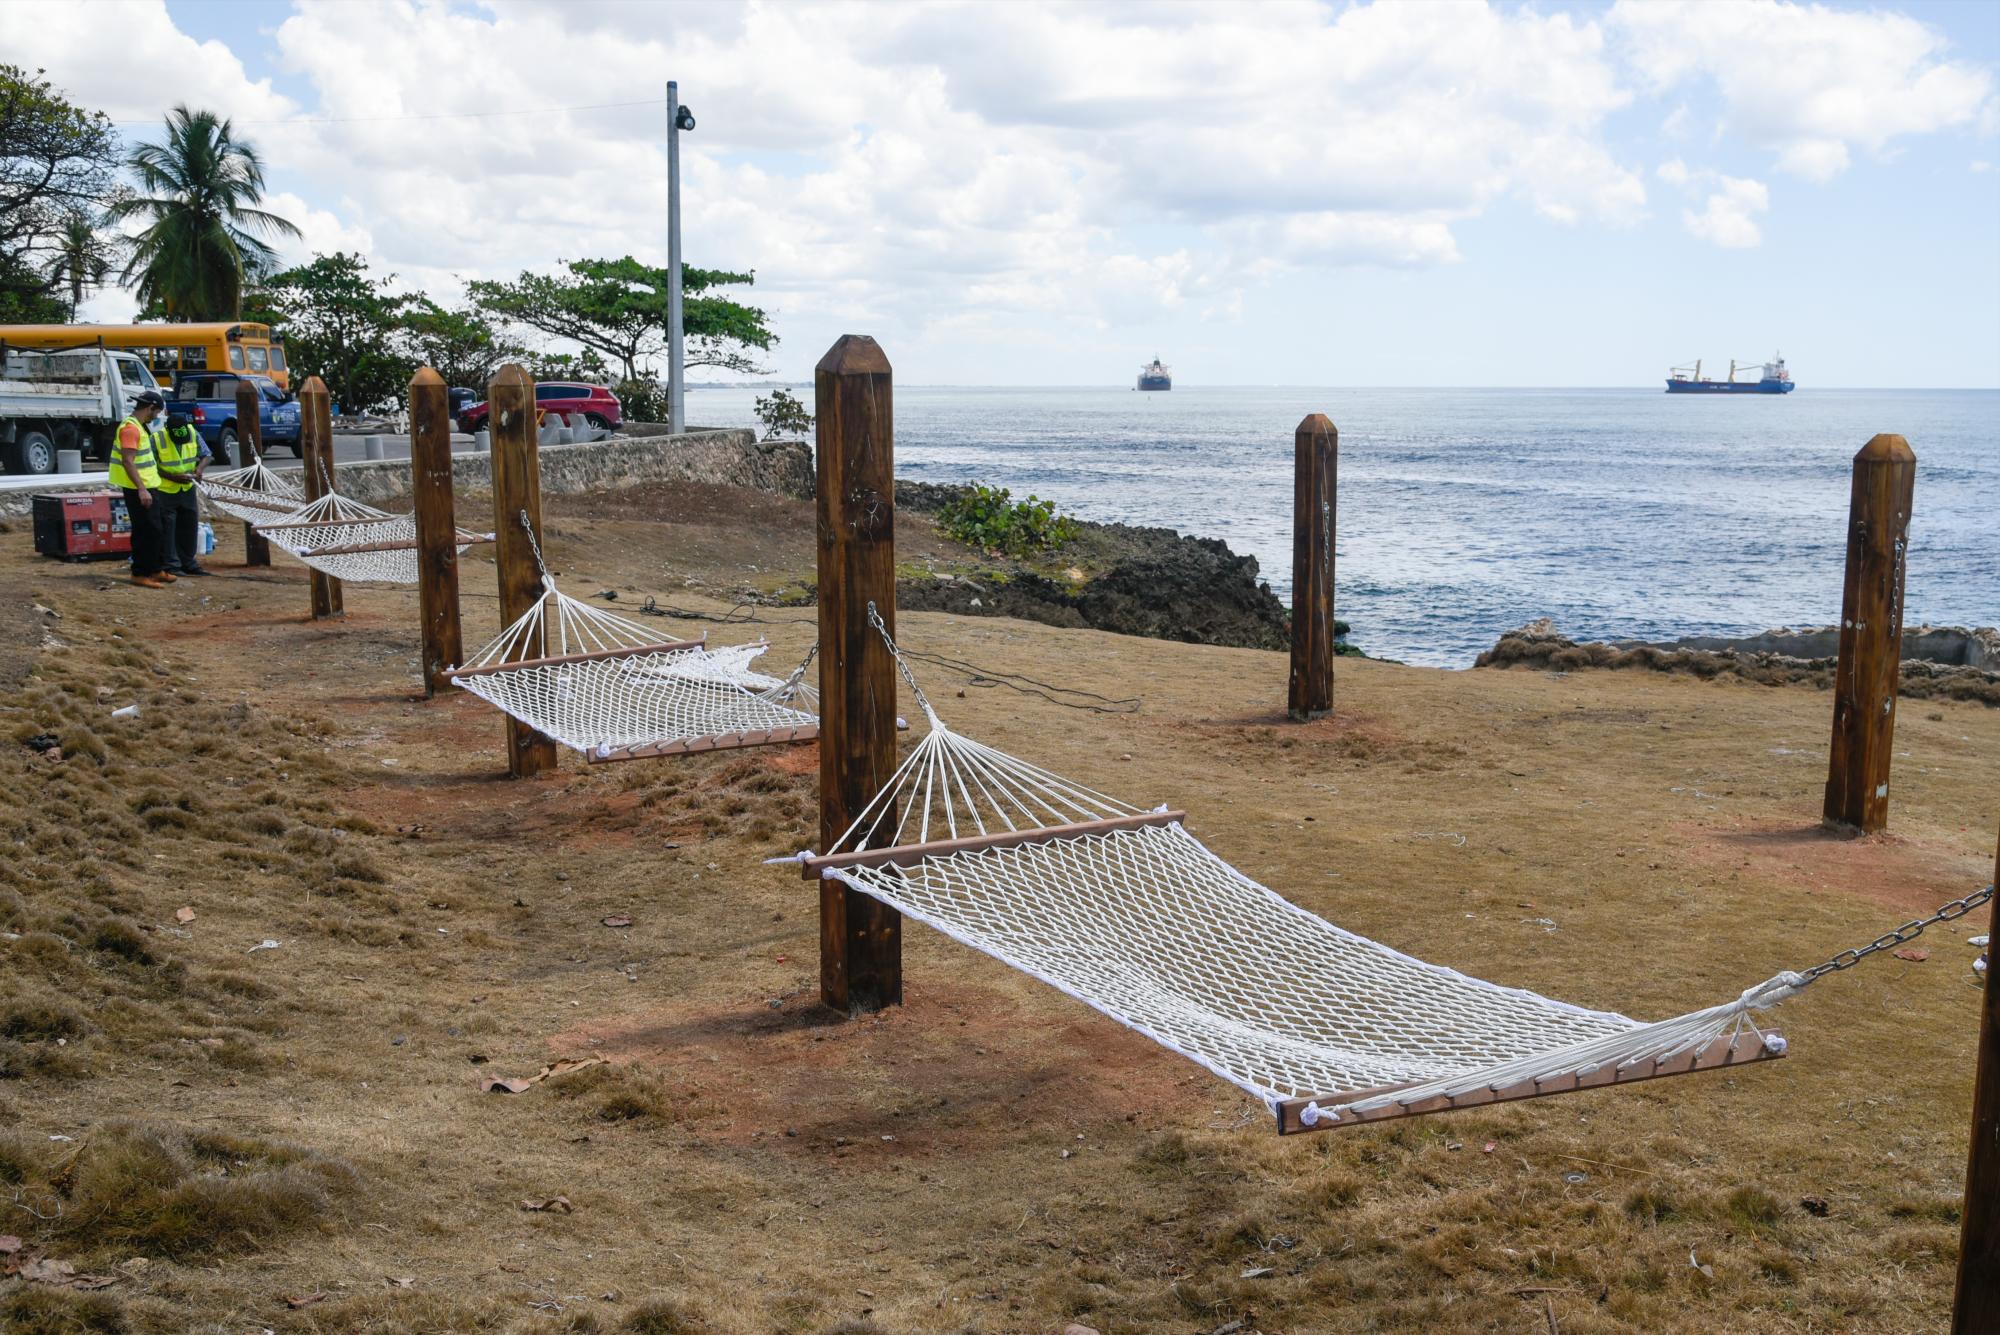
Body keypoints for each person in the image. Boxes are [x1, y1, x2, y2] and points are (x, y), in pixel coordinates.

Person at [111, 391, 170, 588]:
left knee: (157, 529)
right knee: (146, 531)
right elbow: (128, 461)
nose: (157, 416)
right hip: (139, 488)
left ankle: (155, 568)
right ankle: (140, 573)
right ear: (150, 408)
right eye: (157, 412)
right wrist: (142, 489)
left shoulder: (140, 427)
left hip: (149, 485)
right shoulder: (131, 429)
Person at [152, 411, 212, 577]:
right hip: (166, 490)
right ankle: (171, 564)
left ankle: (188, 562)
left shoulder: (192, 433)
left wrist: (199, 469)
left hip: (187, 488)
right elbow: (151, 465)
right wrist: (171, 476)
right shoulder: (157, 439)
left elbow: (207, 455)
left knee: (189, 525)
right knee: (169, 527)